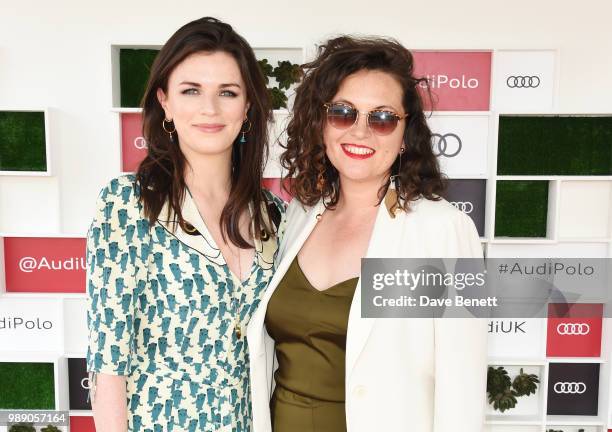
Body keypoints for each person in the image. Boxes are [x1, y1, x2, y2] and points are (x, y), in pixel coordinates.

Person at [246, 36, 487, 432]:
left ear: (406, 134)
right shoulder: (299, 215)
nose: (360, 132)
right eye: (343, 113)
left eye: (382, 118)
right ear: (321, 123)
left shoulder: (444, 229)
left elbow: (462, 385)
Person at [86, 17, 284, 432]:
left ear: (247, 106)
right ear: (165, 102)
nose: (209, 109)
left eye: (227, 93)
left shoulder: (274, 214)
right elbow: (108, 368)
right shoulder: (127, 205)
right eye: (191, 90)